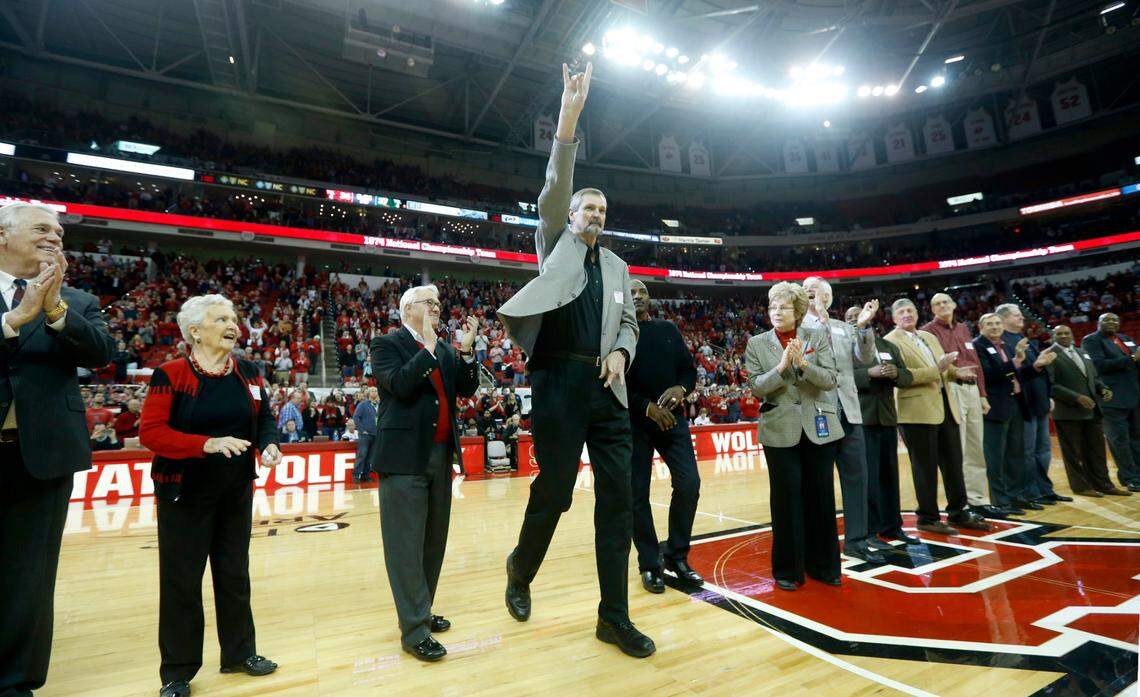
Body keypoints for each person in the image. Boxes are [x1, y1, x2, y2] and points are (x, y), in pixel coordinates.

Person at [496, 63, 652, 658]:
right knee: (557, 491)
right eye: (588, 210)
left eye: (603, 213)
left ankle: (613, 616)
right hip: (558, 380)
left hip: (605, 387)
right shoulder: (553, 241)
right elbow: (556, 182)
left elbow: (632, 322)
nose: (595, 217)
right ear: (571, 216)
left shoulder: (617, 268)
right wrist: (569, 114)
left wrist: (619, 350)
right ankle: (521, 568)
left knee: (618, 501)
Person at [138, 294, 283, 697]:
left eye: (233, 318)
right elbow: (150, 433)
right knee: (182, 580)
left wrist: (269, 444)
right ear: (195, 332)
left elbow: (265, 419)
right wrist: (207, 444)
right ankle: (178, 671)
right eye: (221, 319)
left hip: (236, 488)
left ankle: (239, 653)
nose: (232, 324)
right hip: (183, 492)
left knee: (235, 572)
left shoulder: (249, 373)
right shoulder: (170, 374)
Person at [0, 202, 115, 697]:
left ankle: (15, 683)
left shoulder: (77, 300)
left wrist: (54, 313)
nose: (55, 237)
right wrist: (12, 321)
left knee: (29, 576)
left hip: (40, 455)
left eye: (60, 232)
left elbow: (104, 354)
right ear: (3, 236)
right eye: (42, 229)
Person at [370, 285, 480, 662]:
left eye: (437, 303)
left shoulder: (445, 348)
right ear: (407, 310)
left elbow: (467, 387)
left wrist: (465, 349)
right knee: (405, 546)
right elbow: (399, 385)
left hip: (439, 456)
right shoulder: (386, 344)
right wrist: (431, 348)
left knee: (433, 541)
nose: (436, 307)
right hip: (402, 458)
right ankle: (414, 629)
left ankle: (422, 610)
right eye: (428, 303)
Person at [745, 282, 842, 591]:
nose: (776, 312)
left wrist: (803, 365)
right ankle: (788, 570)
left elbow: (829, 379)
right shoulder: (757, 344)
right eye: (773, 306)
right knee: (786, 502)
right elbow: (757, 387)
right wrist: (783, 366)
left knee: (821, 499)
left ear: (798, 311)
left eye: (783, 307)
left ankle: (824, 566)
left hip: (819, 426)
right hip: (779, 430)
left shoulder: (816, 336)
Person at [884, 298, 990, 535]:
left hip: (946, 406)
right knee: (925, 467)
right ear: (893, 318)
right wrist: (938, 370)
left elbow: (943, 368)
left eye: (910, 310)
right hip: (915, 413)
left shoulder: (928, 337)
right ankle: (928, 517)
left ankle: (958, 511)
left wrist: (956, 372)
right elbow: (901, 376)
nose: (907, 314)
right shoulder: (890, 341)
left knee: (954, 463)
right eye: (901, 312)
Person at [626, 280, 702, 594]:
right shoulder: (616, 335)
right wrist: (645, 407)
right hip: (633, 425)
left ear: (649, 297)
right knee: (636, 496)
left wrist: (681, 389)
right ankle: (648, 562)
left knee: (689, 484)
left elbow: (689, 371)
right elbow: (611, 384)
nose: (638, 296)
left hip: (673, 421)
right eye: (631, 293)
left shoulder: (668, 330)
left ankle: (676, 555)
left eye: (642, 291)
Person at [802, 277, 883, 564]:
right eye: (806, 287)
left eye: (817, 287)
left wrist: (862, 326)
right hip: (817, 413)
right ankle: (819, 543)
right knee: (818, 482)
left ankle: (857, 540)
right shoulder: (796, 327)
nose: (810, 289)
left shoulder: (842, 327)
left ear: (828, 295)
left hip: (848, 411)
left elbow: (865, 357)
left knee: (856, 477)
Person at [923, 293, 1010, 518]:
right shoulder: (928, 331)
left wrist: (982, 394)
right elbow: (935, 363)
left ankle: (978, 499)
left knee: (975, 447)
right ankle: (961, 501)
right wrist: (955, 373)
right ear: (932, 309)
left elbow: (977, 364)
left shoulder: (963, 328)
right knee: (957, 448)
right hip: (952, 387)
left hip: (972, 390)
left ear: (953, 305)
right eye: (937, 304)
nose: (942, 306)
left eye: (946, 302)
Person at [847, 306, 919, 547]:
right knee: (868, 479)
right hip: (860, 420)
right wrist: (869, 372)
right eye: (850, 319)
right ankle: (869, 531)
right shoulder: (842, 347)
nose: (855, 321)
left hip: (887, 418)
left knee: (889, 476)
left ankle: (892, 526)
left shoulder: (888, 346)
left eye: (859, 317)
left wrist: (894, 372)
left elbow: (907, 377)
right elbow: (842, 379)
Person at [995, 304, 1068, 505]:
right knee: (1026, 452)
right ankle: (1029, 492)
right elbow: (1012, 373)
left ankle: (1044, 489)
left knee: (1043, 450)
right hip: (1022, 403)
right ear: (1004, 319)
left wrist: (1047, 395)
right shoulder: (1002, 343)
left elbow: (1039, 371)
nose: (1021, 318)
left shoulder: (1024, 339)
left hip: (1039, 400)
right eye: (1016, 316)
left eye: (1020, 315)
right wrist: (1036, 365)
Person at [1047, 325, 1131, 497]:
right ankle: (1081, 486)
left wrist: (1103, 388)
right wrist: (1076, 397)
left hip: (1092, 410)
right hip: (1068, 412)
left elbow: (1094, 377)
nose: (1063, 335)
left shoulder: (1081, 351)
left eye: (1066, 333)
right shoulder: (1049, 355)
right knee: (1073, 453)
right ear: (1053, 336)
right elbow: (1050, 384)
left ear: (1072, 335)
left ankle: (1104, 484)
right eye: (1059, 333)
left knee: (1097, 450)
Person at [974, 313, 1039, 513]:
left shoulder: (1007, 345)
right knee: (996, 458)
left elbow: (1017, 373)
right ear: (980, 327)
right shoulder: (978, 346)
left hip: (1015, 404)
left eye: (997, 323)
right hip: (994, 407)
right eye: (990, 324)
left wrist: (1037, 366)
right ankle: (1001, 501)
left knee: (1015, 455)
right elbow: (986, 375)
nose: (994, 327)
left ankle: (1017, 496)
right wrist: (1016, 360)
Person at [1081, 312, 1140, 491]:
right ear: (1098, 323)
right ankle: (1130, 478)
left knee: (1137, 439)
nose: (1112, 322)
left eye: (1115, 319)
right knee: (1119, 441)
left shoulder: (1124, 338)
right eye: (1106, 320)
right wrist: (1131, 359)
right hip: (1111, 398)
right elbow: (1098, 365)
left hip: (1134, 396)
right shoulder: (1091, 340)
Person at [352, 386, 380, 483]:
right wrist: (361, 430)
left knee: (370, 456)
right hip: (365, 435)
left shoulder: (379, 405)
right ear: (368, 393)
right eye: (372, 391)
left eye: (376, 391)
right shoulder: (363, 405)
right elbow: (356, 417)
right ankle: (356, 475)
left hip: (376, 434)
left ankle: (366, 475)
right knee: (362, 455)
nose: (374, 392)